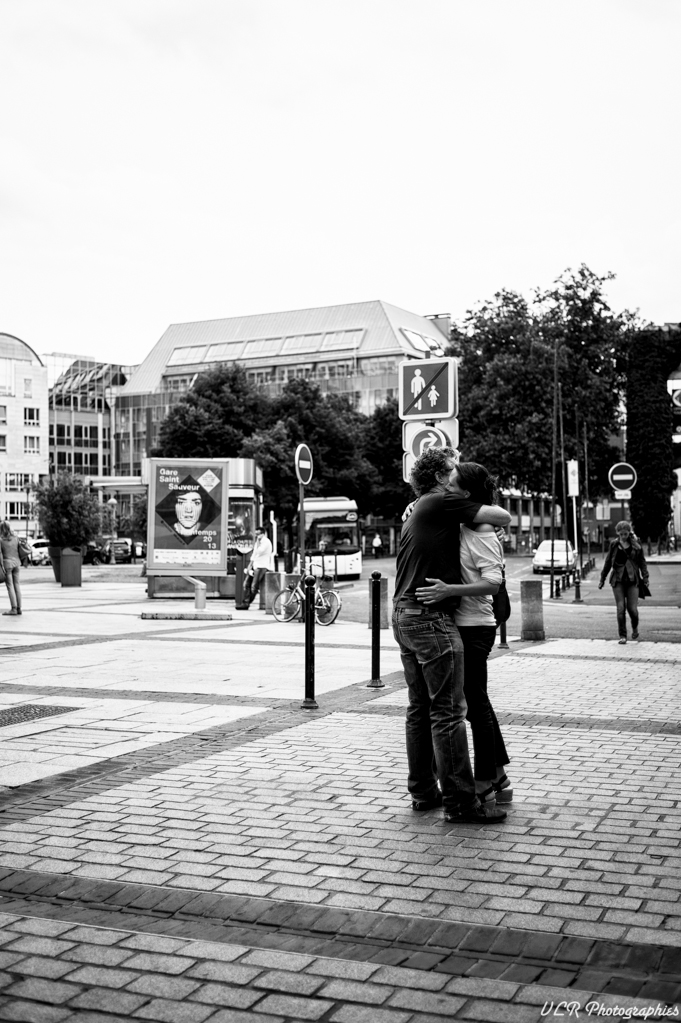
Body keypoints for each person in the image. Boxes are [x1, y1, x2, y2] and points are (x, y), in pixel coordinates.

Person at [392, 447, 511, 825]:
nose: (455, 476)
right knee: (449, 712)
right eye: (451, 471)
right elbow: (503, 515)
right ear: (441, 478)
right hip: (429, 619)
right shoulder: (441, 501)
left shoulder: (422, 508)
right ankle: (461, 802)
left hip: (403, 615)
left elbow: (487, 529)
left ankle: (424, 792)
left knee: (420, 709)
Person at [598, 520, 650, 644]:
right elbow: (608, 562)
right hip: (617, 580)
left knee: (632, 609)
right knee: (620, 608)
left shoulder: (636, 545)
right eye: (621, 534)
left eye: (625, 534)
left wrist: (645, 577)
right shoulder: (614, 545)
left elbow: (642, 562)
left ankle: (635, 627)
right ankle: (622, 635)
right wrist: (602, 578)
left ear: (629, 532)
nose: (623, 536)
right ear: (618, 533)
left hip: (633, 580)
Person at [244, 526, 273, 609]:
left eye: (258, 534)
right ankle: (245, 601)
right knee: (246, 584)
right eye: (256, 534)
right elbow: (254, 554)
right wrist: (250, 565)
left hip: (261, 566)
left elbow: (259, 551)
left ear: (263, 534)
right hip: (255, 565)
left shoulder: (266, 542)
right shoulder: (258, 542)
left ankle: (247, 603)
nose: (256, 536)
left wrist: (257, 542)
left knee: (254, 586)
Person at [0, 521, 24, 616]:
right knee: (17, 585)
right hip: (17, 563)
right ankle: (19, 608)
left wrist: (1, 565)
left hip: (7, 564)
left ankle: (13, 609)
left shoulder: (1, 540)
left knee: (10, 586)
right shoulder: (16, 537)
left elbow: (0, 554)